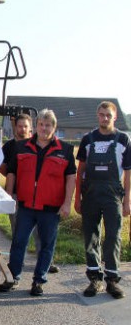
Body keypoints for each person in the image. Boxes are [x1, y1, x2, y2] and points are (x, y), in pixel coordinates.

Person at [0, 109, 76, 296]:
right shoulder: (22, 147)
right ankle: (12, 278)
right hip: (25, 206)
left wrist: (67, 204)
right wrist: (9, 197)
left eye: (48, 125)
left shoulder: (65, 150)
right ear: (36, 126)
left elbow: (71, 178)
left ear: (54, 128)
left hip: (50, 209)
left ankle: (39, 281)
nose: (44, 128)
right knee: (19, 242)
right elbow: (11, 174)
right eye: (41, 124)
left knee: (47, 245)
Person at [75, 101, 131, 299]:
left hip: (113, 195)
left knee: (114, 237)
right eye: (101, 114)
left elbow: (128, 173)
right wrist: (77, 198)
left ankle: (112, 281)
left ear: (114, 117)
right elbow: (80, 170)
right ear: (97, 116)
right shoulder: (88, 139)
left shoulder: (123, 139)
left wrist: (127, 201)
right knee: (91, 237)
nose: (104, 118)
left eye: (108, 115)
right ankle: (94, 279)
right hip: (90, 194)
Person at [0, 114, 61, 274]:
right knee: (18, 232)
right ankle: (16, 264)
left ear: (31, 128)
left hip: (38, 197)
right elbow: (2, 166)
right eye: (19, 126)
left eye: (25, 126)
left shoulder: (38, 145)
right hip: (16, 194)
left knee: (40, 232)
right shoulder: (9, 147)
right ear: (15, 128)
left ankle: (46, 262)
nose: (22, 129)